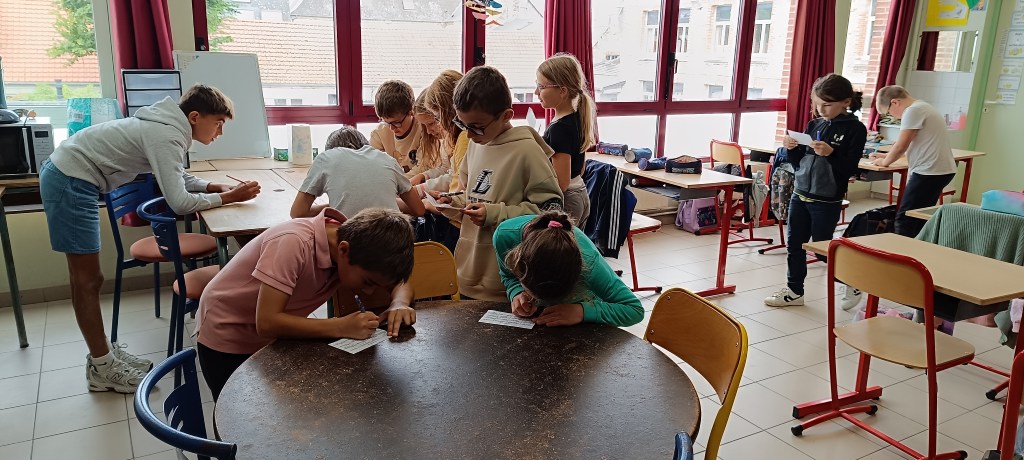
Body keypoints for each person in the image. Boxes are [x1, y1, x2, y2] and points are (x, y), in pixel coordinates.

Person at [39, 84, 261, 393]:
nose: (220, 132)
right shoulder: (166, 133)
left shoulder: (167, 127)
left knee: (86, 279)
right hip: (70, 179)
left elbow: (176, 176)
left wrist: (214, 188)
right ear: (195, 117)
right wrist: (229, 198)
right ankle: (102, 366)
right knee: (87, 280)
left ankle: (103, 354)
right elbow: (180, 202)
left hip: (71, 175)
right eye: (218, 123)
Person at [195, 208, 417, 399]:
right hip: (228, 333)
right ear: (343, 250)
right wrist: (341, 326)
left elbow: (402, 284)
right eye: (368, 282)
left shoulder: (359, 247)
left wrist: (398, 303)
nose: (369, 291)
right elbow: (267, 323)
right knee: (241, 415)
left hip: (273, 339)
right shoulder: (293, 243)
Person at [440, 66, 564, 301]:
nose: (469, 134)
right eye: (463, 125)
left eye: (477, 126)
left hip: (508, 283)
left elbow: (551, 211)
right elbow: (472, 195)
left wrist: (495, 214)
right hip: (468, 273)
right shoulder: (476, 143)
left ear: (506, 115)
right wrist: (451, 202)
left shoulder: (527, 150)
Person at [764, 74, 867, 308]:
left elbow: (849, 170)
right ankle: (794, 291)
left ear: (846, 102)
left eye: (827, 104)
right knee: (794, 245)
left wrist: (831, 153)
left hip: (826, 199)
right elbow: (799, 163)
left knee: (822, 250)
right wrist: (791, 148)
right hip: (800, 193)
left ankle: (853, 282)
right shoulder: (814, 124)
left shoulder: (855, 129)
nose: (821, 110)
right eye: (817, 104)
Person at [495, 212, 643, 327]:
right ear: (517, 264)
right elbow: (508, 276)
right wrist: (516, 292)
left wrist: (582, 311)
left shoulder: (589, 262)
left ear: (578, 275)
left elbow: (634, 310)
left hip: (582, 319)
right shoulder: (504, 236)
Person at [870, 85, 958, 238]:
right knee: (918, 216)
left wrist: (884, 163)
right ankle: (917, 247)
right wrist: (886, 156)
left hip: (929, 171)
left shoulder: (913, 111)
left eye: (888, 112)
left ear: (895, 102)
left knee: (905, 219)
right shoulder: (923, 107)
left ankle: (902, 251)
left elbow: (901, 145)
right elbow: (912, 144)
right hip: (939, 171)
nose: (893, 117)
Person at [289, 126, 424, 219]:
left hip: (352, 245)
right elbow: (419, 210)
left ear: (331, 149)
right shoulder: (387, 159)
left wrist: (333, 207)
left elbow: (297, 213)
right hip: (396, 244)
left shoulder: (326, 158)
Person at [535, 53, 595, 227]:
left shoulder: (559, 129)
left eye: (541, 87)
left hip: (568, 199)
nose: (536, 92)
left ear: (562, 91)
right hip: (579, 193)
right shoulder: (575, 118)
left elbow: (561, 183)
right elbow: (580, 169)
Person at [369, 80, 422, 172]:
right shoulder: (378, 134)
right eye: (386, 122)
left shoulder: (424, 130)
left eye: (397, 122)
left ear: (411, 111)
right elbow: (373, 167)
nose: (392, 128)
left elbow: (425, 169)